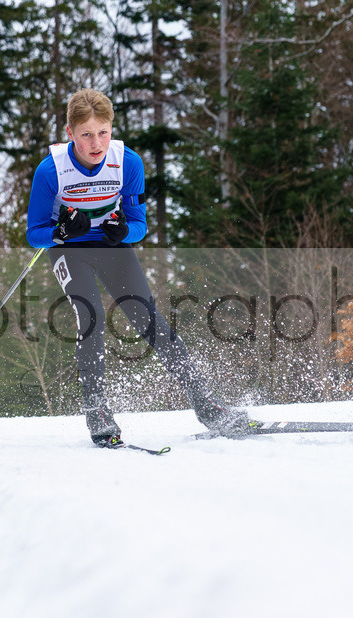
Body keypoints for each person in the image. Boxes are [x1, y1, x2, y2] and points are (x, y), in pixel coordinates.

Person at [26, 88, 250, 446]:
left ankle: (207, 405)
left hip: (111, 246)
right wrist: (60, 232)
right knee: (91, 316)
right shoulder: (50, 170)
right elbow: (34, 234)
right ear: (70, 133)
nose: (96, 143)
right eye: (86, 134)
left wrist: (124, 231)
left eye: (103, 132)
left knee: (150, 319)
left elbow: (139, 224)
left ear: (111, 129)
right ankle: (98, 413)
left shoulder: (128, 162)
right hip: (69, 249)